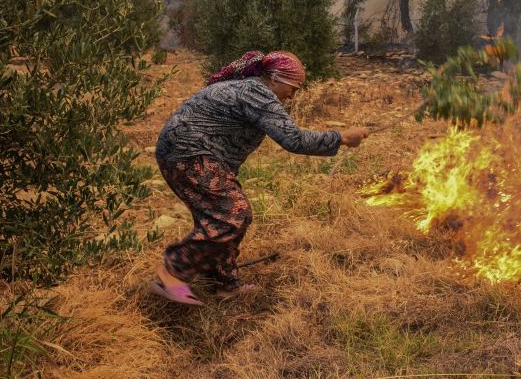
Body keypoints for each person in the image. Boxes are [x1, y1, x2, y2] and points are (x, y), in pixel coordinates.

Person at [150, 50, 368, 305]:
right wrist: (341, 137)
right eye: (293, 86)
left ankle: (225, 284)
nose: (294, 94)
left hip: (185, 153)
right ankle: (171, 273)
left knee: (227, 216)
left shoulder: (250, 91)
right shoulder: (256, 93)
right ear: (275, 78)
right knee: (233, 215)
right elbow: (293, 140)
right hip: (188, 153)